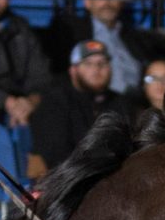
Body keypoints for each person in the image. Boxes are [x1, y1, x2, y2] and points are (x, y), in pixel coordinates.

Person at [45, 0, 165, 96]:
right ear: (87, 2)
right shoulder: (69, 31)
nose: (107, 2)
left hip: (136, 105)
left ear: (121, 2)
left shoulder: (138, 38)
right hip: (89, 104)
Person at [30, 39, 121, 176]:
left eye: (102, 63)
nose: (96, 69)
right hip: (71, 181)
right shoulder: (55, 101)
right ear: (73, 70)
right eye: (88, 64)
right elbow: (56, 156)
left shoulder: (120, 102)